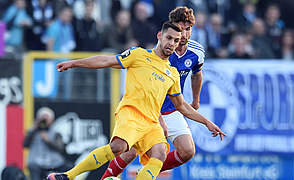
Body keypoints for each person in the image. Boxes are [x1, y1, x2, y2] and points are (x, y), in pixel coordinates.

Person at [47, 21, 226, 180]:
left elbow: (182, 106)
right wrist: (74, 63)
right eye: (169, 38)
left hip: (151, 122)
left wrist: (207, 123)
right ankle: (68, 176)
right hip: (131, 114)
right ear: (160, 36)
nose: (171, 44)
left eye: (176, 41)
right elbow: (106, 60)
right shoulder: (138, 55)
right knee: (118, 148)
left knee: (159, 155)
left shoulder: (172, 74)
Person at [101, 6, 209, 179]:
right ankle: (105, 178)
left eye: (188, 29)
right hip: (149, 108)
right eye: (180, 29)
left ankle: (147, 173)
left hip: (173, 107)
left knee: (188, 151)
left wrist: (195, 100)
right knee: (129, 152)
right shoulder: (161, 52)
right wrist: (159, 119)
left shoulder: (197, 52)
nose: (184, 34)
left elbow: (197, 74)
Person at [23, 107, 71, 180]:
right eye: (42, 117)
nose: (44, 120)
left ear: (51, 120)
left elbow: (60, 148)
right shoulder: (33, 131)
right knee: (33, 167)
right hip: (36, 163)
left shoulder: (56, 132)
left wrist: (48, 140)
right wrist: (34, 128)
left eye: (47, 118)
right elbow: (25, 144)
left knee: (69, 168)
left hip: (54, 163)